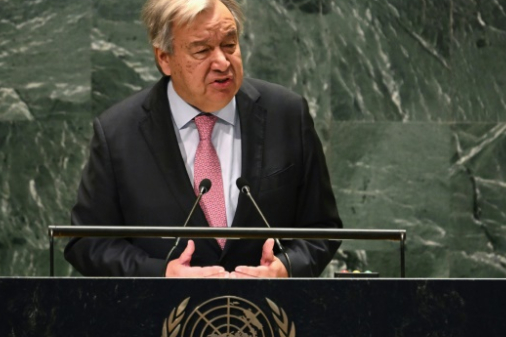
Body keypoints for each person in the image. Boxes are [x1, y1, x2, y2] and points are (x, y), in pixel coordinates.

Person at [64, 0, 341, 278]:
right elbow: (88, 242)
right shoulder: (118, 133)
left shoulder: (287, 115)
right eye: (202, 50)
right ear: (164, 58)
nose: (222, 62)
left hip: (267, 315)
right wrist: (161, 274)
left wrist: (287, 267)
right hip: (160, 316)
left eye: (230, 45)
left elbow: (321, 228)